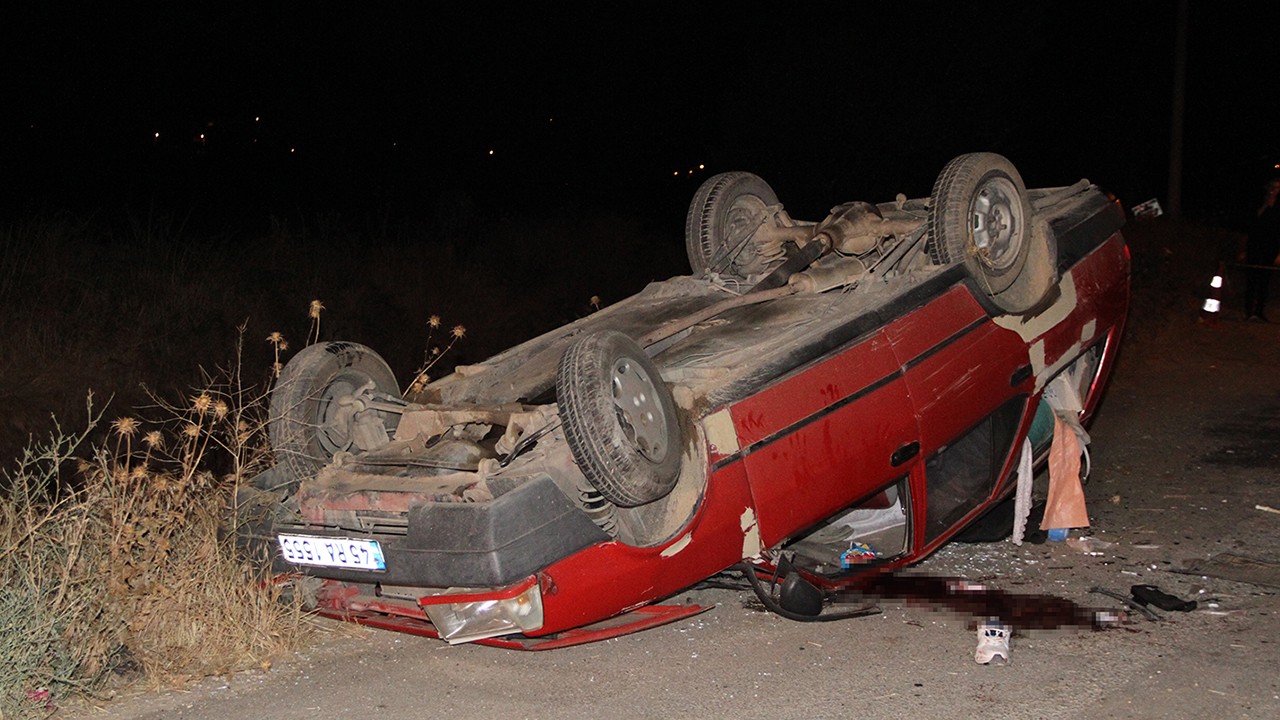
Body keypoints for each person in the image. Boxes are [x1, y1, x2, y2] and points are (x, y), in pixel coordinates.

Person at [1244, 178, 1280, 321]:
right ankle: (1249, 311)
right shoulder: (1259, 201)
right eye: (1274, 187)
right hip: (1255, 244)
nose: (1275, 190)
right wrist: (1266, 204)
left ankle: (1259, 311)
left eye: (1278, 187)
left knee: (1265, 280)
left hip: (1270, 246)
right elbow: (1254, 219)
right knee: (1252, 278)